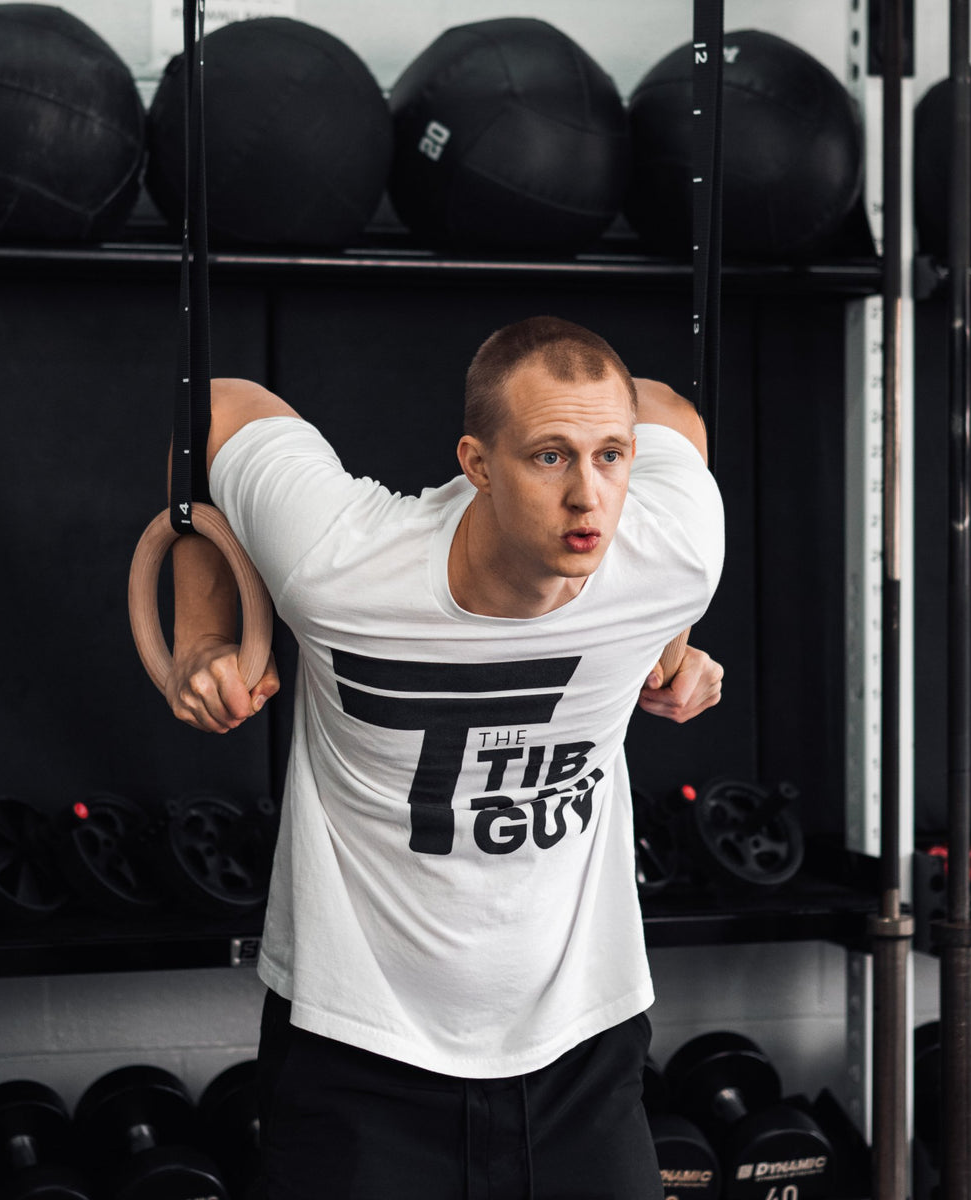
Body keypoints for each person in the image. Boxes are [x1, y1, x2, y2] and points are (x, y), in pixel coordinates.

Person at [167, 316, 725, 1199]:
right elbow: (210, 404)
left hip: (582, 1042)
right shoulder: (341, 561)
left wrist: (669, 630)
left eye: (611, 456)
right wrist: (203, 638)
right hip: (355, 1046)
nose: (590, 497)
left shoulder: (675, 554)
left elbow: (671, 415)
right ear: (475, 464)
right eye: (549, 456)